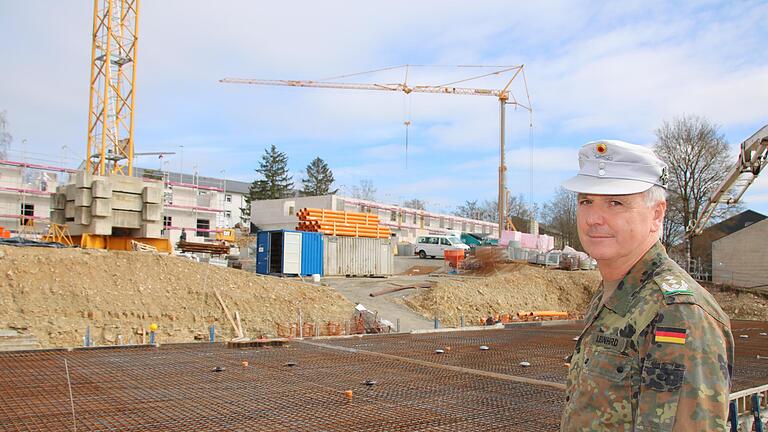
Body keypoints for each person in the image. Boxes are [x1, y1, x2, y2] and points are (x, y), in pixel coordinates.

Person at [559, 140, 734, 431]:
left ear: (657, 213)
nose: (593, 218)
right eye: (586, 201)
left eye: (615, 202)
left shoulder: (678, 313)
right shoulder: (614, 293)